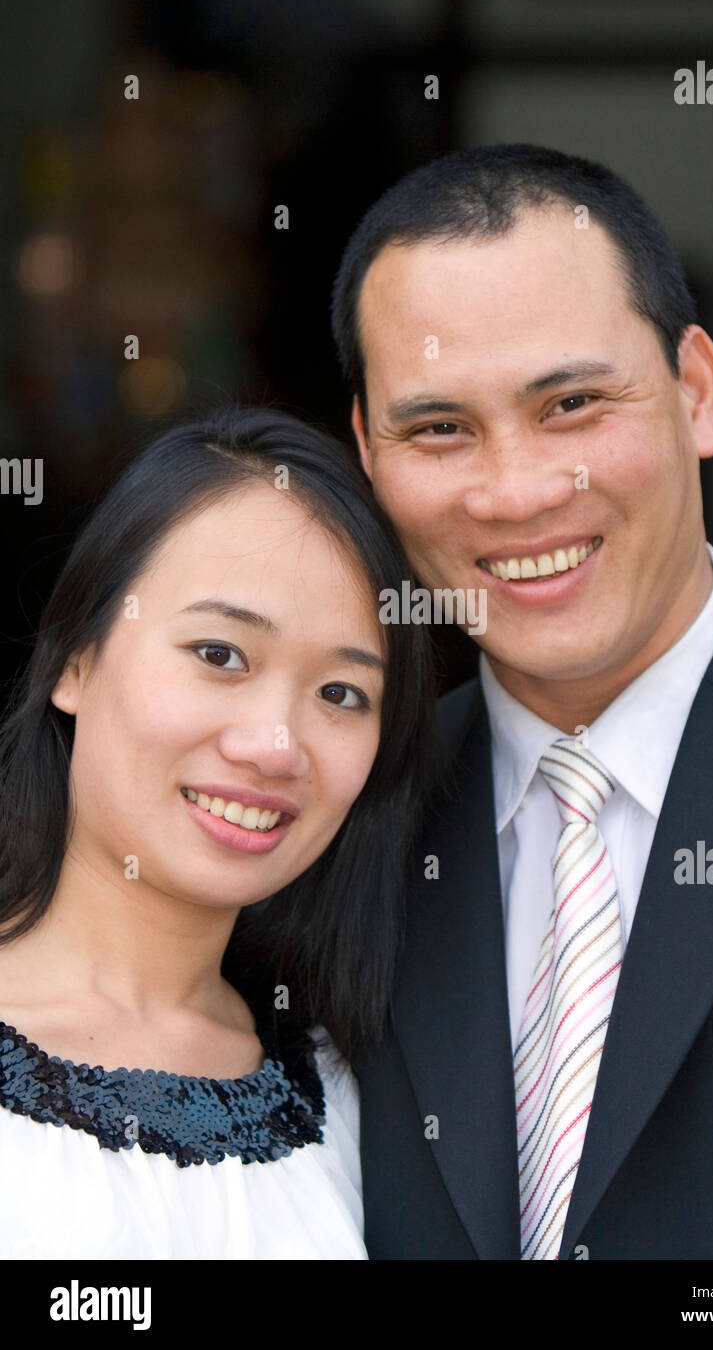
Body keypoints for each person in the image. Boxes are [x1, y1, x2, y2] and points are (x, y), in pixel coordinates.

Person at [331, 143, 713, 1260]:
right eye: (438, 428)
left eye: (570, 403)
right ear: (366, 454)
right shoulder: (337, 823)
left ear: (697, 390)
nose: (516, 491)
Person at [0, 406, 434, 1259]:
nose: (275, 747)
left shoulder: (360, 1102)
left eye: (341, 695)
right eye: (220, 654)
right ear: (72, 660)